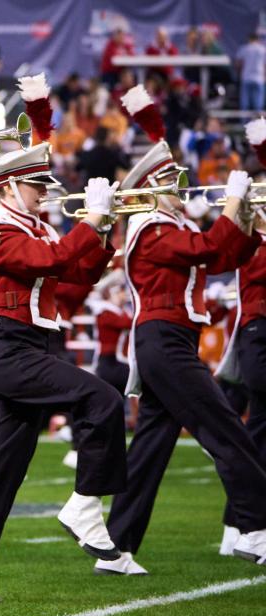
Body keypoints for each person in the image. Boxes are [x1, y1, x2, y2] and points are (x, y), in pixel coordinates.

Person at [0, 142, 128, 601]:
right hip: (6, 347)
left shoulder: (34, 228)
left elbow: (79, 274)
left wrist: (105, 227)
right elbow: (48, 262)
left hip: (32, 345)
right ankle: (85, 506)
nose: (42, 194)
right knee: (102, 399)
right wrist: (88, 221)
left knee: (7, 463)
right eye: (35, 186)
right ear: (8, 186)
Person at [101, 141, 266, 574]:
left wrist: (245, 218)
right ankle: (255, 527)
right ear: (151, 189)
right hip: (164, 342)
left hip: (170, 342)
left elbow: (226, 255)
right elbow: (208, 249)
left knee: (150, 449)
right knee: (227, 429)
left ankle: (116, 547)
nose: (184, 187)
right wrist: (231, 205)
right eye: (173, 182)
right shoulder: (151, 227)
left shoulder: (170, 225)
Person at [215, 203, 266, 556]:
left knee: (258, 434)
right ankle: (241, 526)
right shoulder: (250, 240)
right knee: (254, 434)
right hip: (257, 335)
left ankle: (239, 526)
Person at [236, 33, 266, 113]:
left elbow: (238, 63)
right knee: (258, 103)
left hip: (246, 77)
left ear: (249, 39)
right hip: (259, 78)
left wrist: (239, 72)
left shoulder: (244, 48)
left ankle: (244, 122)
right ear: (257, 40)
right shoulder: (263, 49)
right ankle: (259, 121)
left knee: (245, 103)